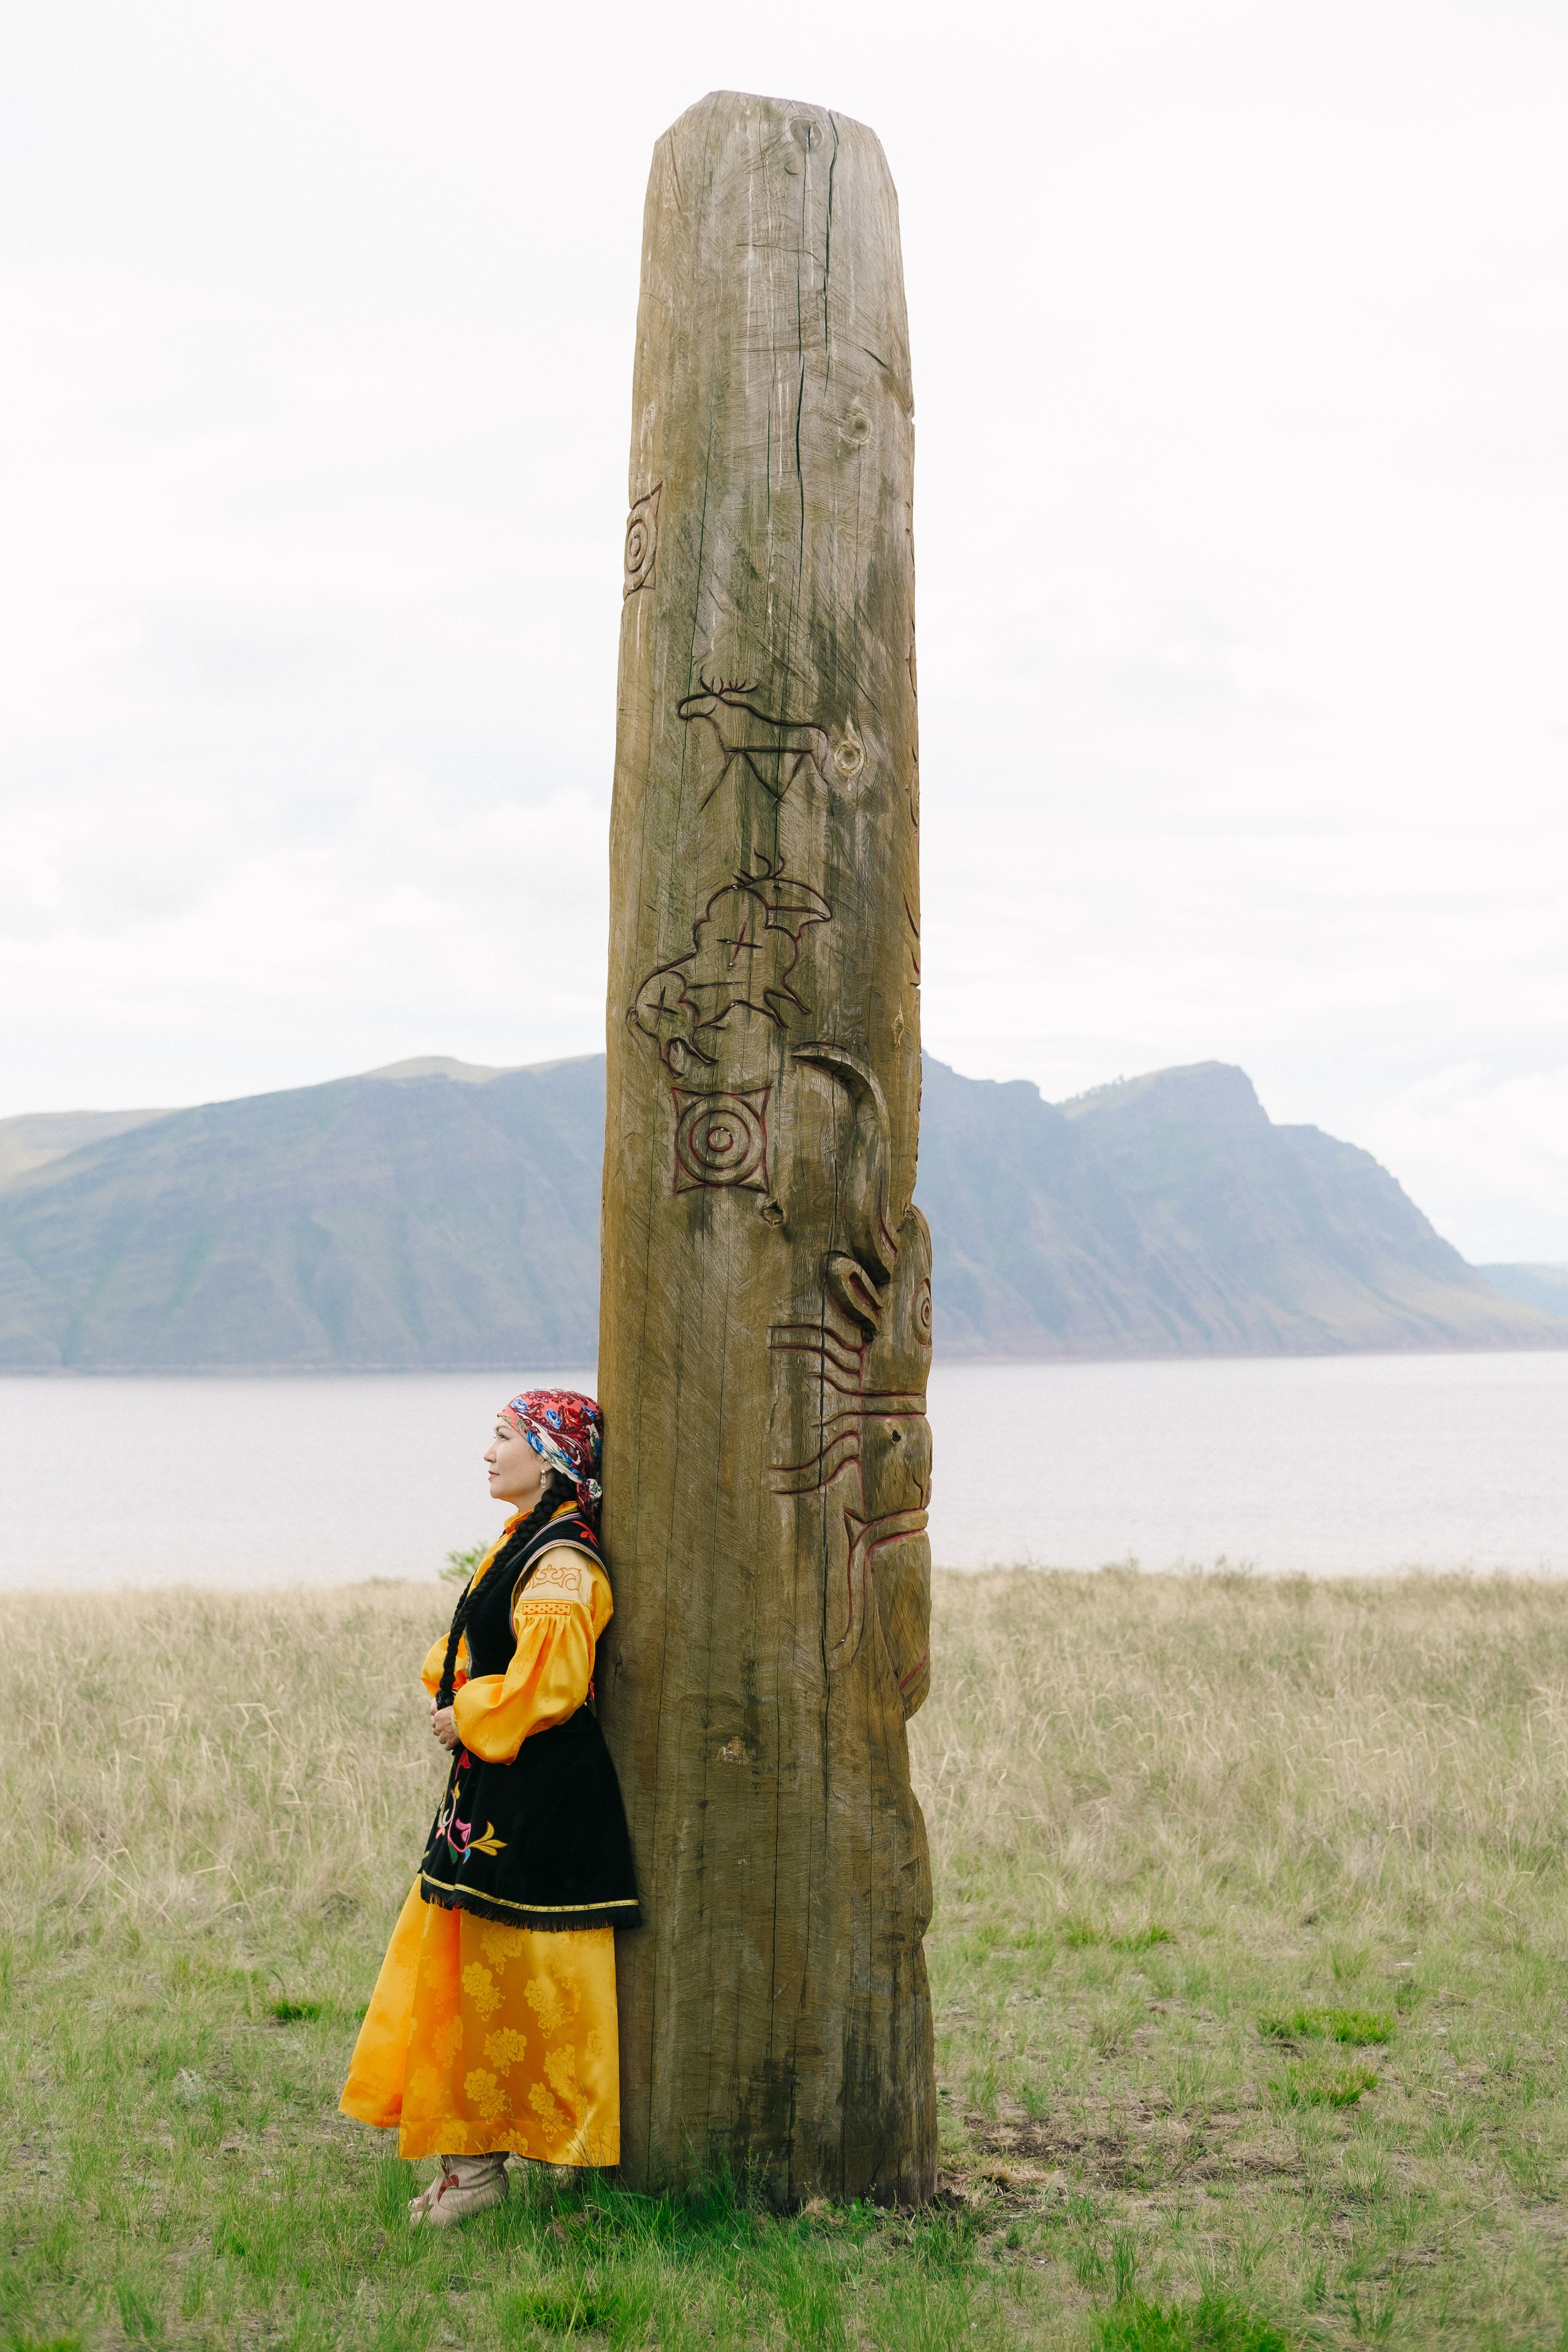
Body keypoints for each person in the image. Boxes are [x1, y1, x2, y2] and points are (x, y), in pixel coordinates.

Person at [339, 1389, 638, 2226]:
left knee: (523, 1988)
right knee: (464, 1979)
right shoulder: (524, 1545)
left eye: (504, 1436)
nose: (488, 1451)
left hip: (544, 1807)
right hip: (495, 1797)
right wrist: (462, 1692)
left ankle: (486, 2173)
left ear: (549, 1458)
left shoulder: (564, 1563)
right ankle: (469, 2166)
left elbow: (551, 1684)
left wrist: (465, 1709)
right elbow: (472, 1648)